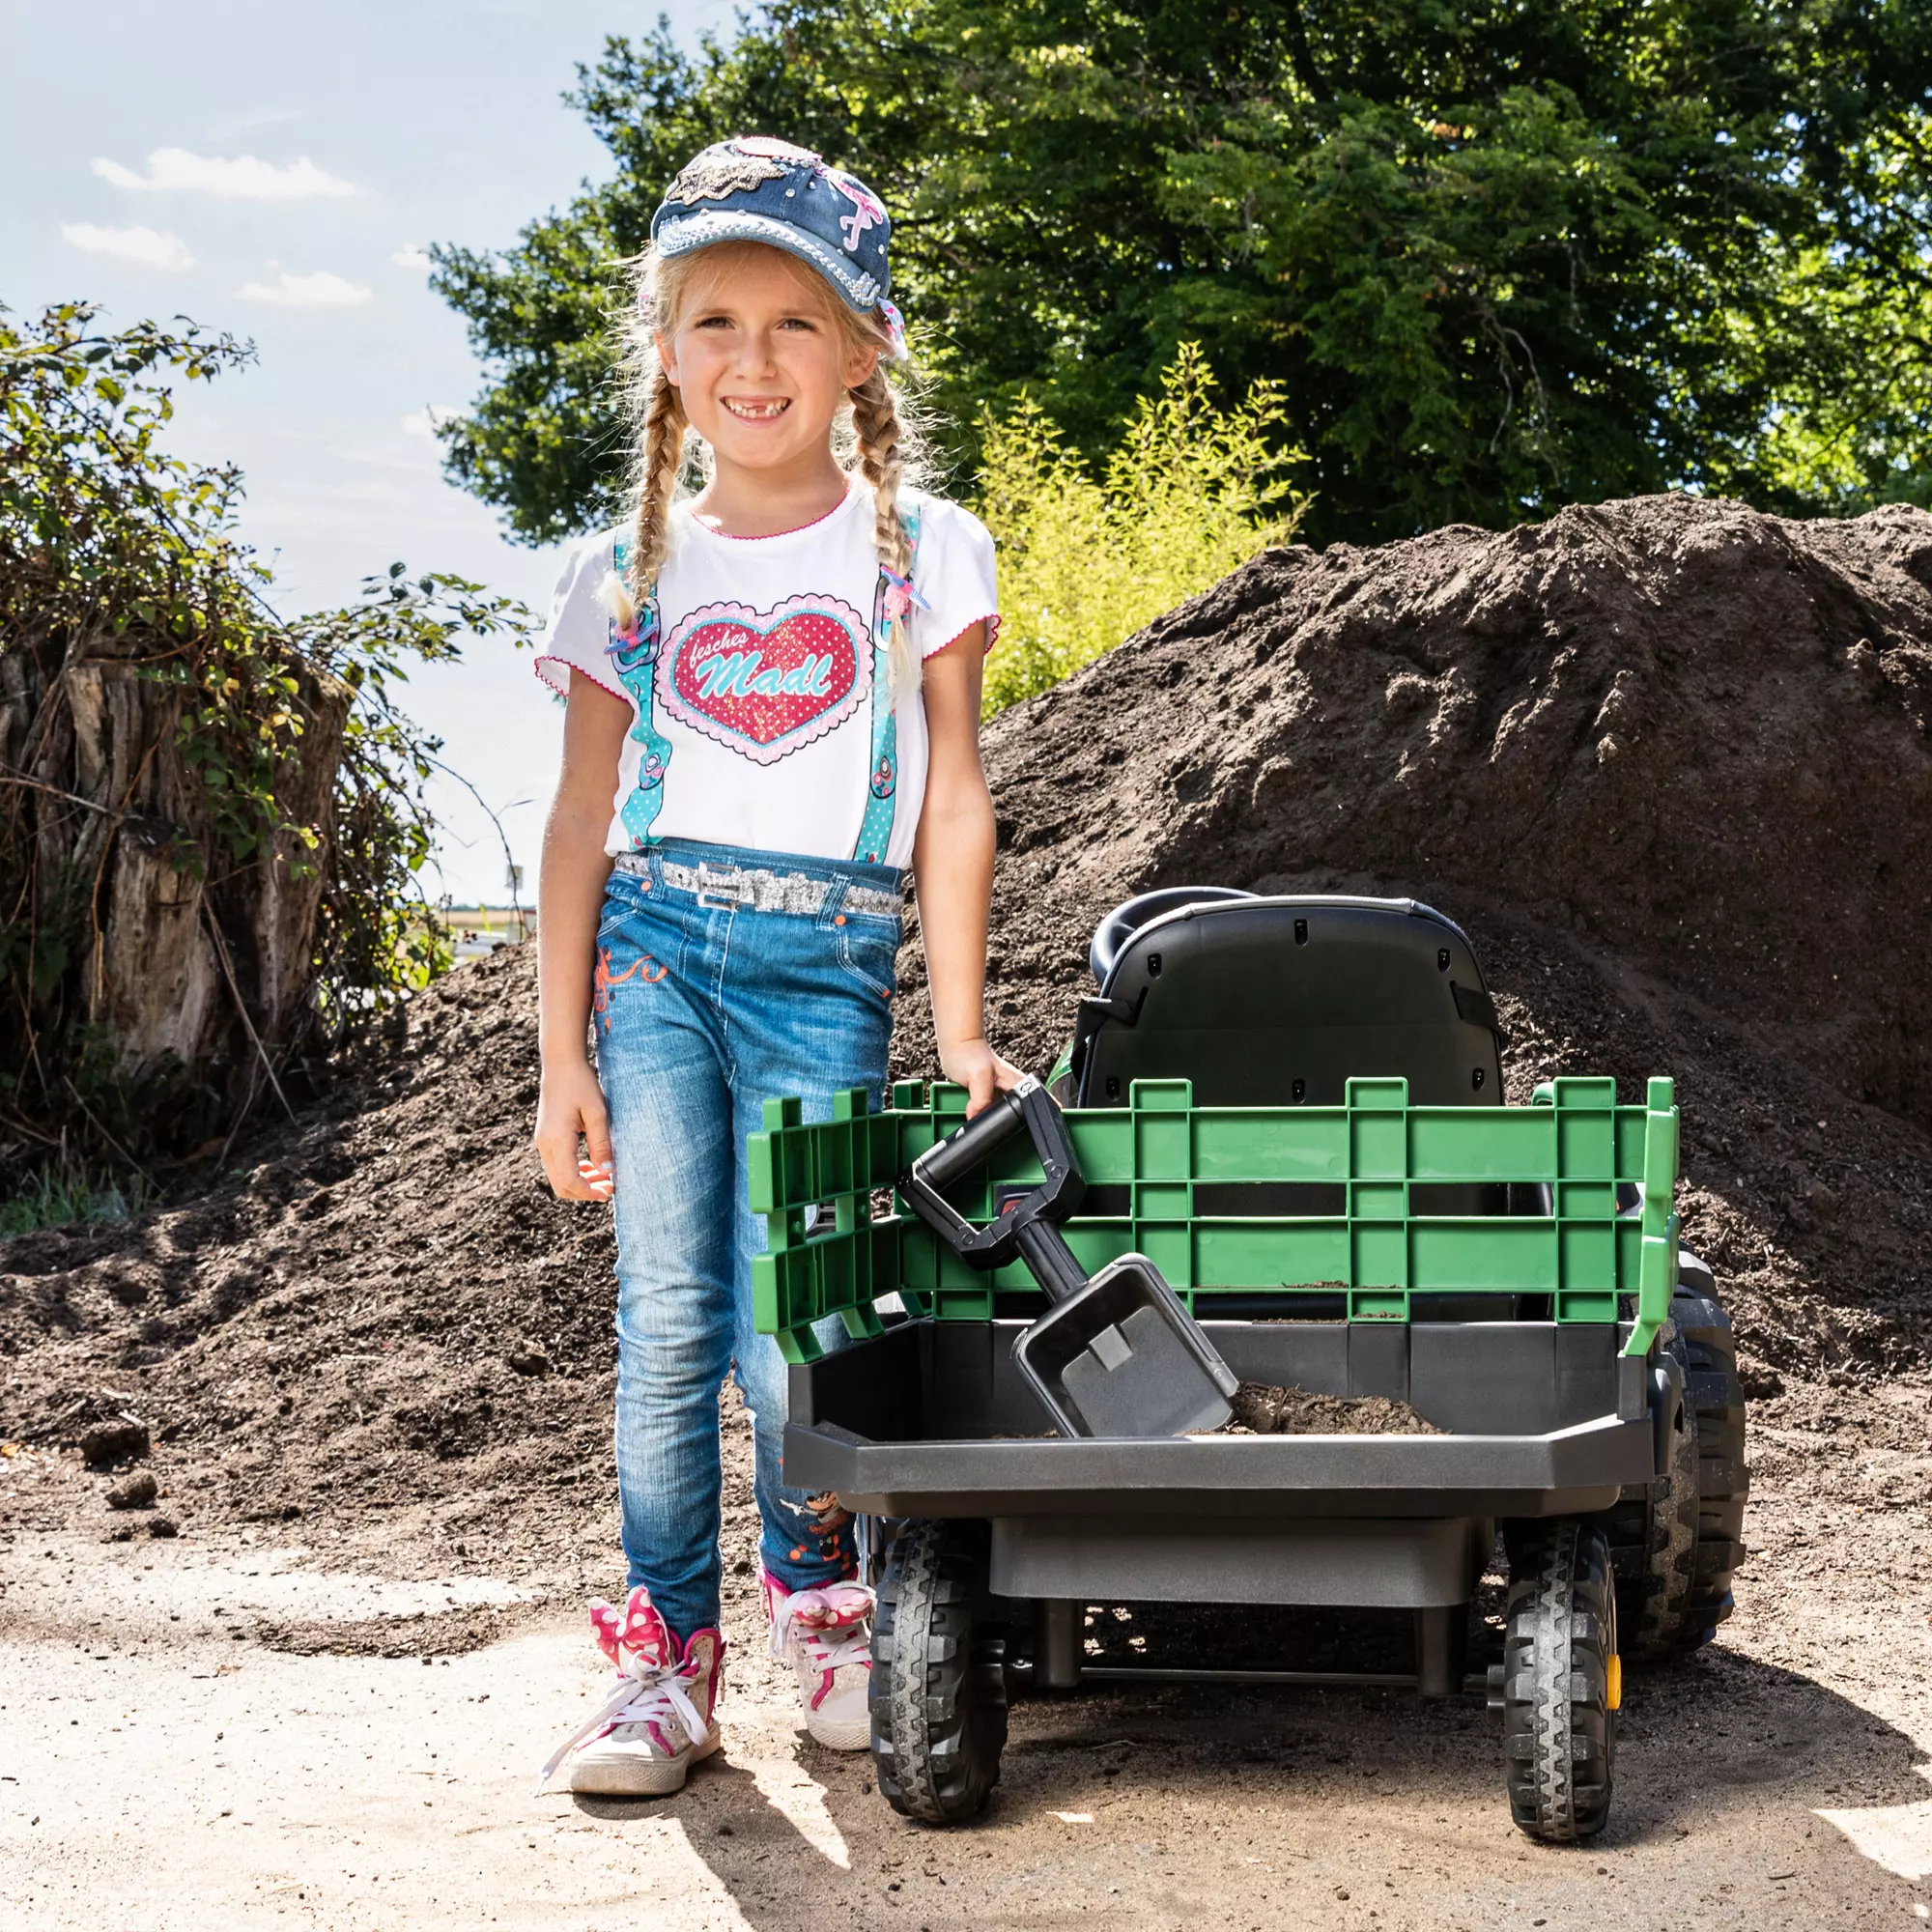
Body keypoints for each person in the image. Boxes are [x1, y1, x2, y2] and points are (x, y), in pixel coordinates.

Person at [528, 137, 1021, 1798]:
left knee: (797, 1321)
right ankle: (663, 1664)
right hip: (654, 960)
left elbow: (956, 789)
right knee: (668, 1316)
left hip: (831, 961)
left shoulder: (921, 550)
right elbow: (583, 818)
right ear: (664, 349)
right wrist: (560, 1060)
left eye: (794, 324)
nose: (753, 361)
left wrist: (956, 1024)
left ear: (864, 348)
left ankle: (822, 1606)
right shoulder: (628, 572)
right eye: (716, 320)